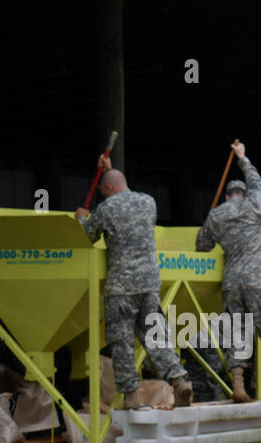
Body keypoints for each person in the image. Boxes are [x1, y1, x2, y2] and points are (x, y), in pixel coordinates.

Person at [76, 156, 192, 409]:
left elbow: (86, 236)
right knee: (154, 334)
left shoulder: (106, 209)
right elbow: (121, 193)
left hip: (122, 286)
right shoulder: (148, 202)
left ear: (107, 189)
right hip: (150, 283)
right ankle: (178, 378)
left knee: (121, 341)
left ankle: (130, 396)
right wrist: (110, 172)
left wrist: (81, 218)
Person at [195, 140, 261, 403]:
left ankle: (239, 386)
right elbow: (258, 182)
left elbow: (202, 246)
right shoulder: (254, 204)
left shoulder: (217, 215)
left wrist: (210, 219)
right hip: (255, 277)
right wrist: (242, 157)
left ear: (227, 195)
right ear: (242, 193)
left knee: (236, 332)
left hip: (231, 280)